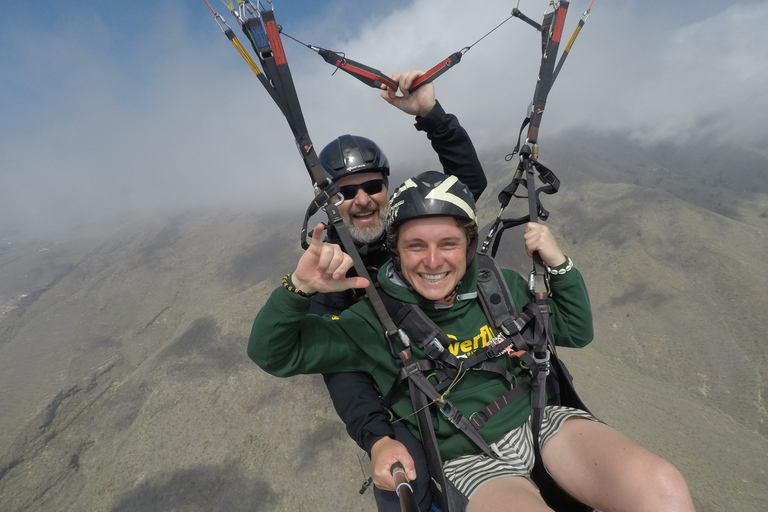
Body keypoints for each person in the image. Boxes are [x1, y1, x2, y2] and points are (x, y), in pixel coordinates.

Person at [248, 172, 696, 512]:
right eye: (415, 246)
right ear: (396, 250)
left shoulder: (498, 285)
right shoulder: (371, 318)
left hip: (542, 420)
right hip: (465, 459)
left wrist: (559, 264)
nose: (432, 261)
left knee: (664, 488)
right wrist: (298, 288)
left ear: (469, 244)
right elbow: (273, 353)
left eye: (448, 243)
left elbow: (575, 331)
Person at [315, 70, 486, 511]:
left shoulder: (410, 230)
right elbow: (340, 367)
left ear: (387, 188)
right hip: (401, 396)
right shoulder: (330, 270)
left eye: (372, 186)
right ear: (329, 200)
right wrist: (377, 439)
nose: (363, 199)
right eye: (345, 191)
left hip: (462, 361)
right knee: (406, 489)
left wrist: (430, 114)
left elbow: (469, 186)